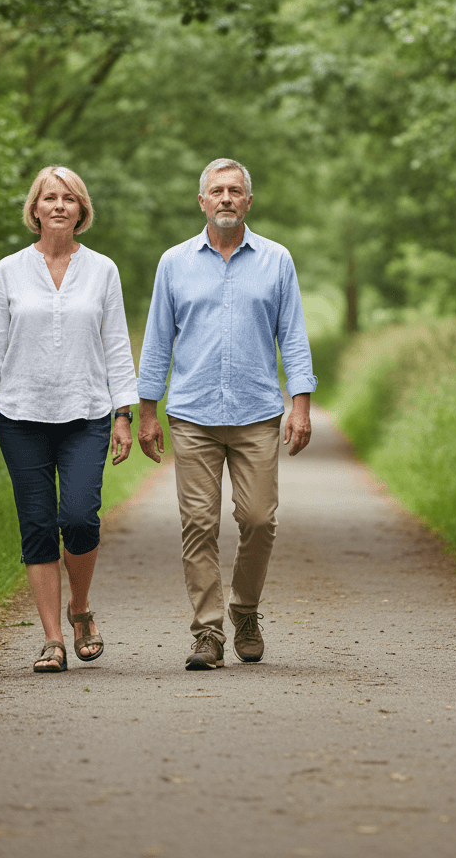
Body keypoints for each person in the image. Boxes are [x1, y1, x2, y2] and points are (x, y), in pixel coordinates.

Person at [136, 157, 317, 670]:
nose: (226, 199)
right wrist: (146, 410)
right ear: (201, 201)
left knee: (259, 520)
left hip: (257, 411)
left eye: (235, 191)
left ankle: (245, 609)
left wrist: (299, 403)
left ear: (248, 201)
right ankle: (208, 632)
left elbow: (294, 337)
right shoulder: (174, 262)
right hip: (192, 414)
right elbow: (156, 342)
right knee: (198, 523)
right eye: (217, 191)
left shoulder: (277, 260)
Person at [0, 165, 138, 672]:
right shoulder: (9, 270)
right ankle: (52, 639)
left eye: (69, 198)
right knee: (38, 526)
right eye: (50, 198)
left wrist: (123, 414)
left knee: (81, 517)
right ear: (35, 210)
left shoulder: (103, 270)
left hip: (86, 414)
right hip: (21, 416)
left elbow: (116, 346)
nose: (59, 205)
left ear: (81, 210)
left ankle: (80, 607)